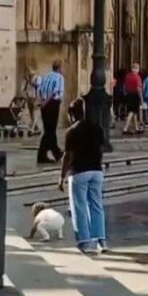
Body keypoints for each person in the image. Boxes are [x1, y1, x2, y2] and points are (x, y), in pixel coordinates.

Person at [59, 98, 107, 254]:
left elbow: (67, 156)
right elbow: (101, 149)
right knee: (97, 205)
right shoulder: (97, 128)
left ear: (72, 115)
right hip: (96, 171)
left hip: (79, 172)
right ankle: (101, 240)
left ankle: (84, 241)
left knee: (79, 206)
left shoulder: (71, 132)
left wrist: (62, 177)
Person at [37, 60, 64, 164]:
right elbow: (55, 92)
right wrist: (46, 102)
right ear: (60, 67)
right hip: (52, 104)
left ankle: (50, 153)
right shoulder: (59, 77)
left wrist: (41, 102)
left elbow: (39, 90)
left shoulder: (46, 76)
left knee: (48, 130)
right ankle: (54, 153)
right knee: (50, 130)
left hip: (44, 105)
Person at [123, 64, 144, 135]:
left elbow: (124, 87)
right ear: (137, 69)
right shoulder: (137, 77)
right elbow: (139, 89)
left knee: (135, 112)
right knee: (131, 112)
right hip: (135, 95)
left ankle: (136, 128)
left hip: (128, 95)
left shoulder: (127, 76)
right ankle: (125, 128)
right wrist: (142, 100)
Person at [21, 68, 42, 134]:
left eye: (29, 71)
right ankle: (37, 128)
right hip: (29, 97)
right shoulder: (27, 80)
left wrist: (29, 81)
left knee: (35, 113)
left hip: (35, 97)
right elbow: (24, 88)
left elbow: (37, 85)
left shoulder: (38, 78)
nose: (29, 73)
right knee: (31, 114)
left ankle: (32, 128)